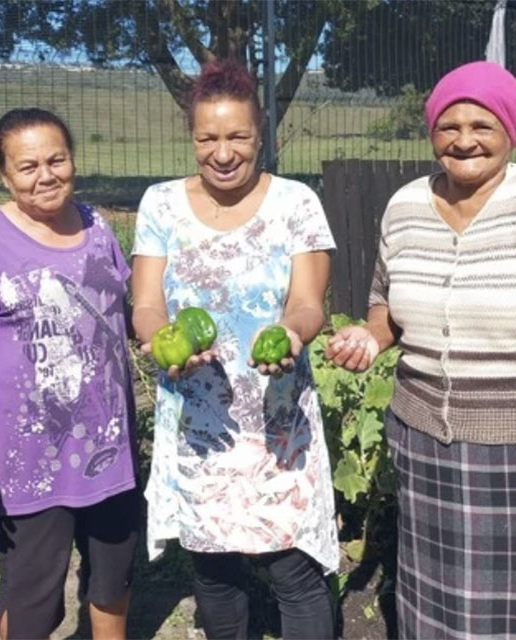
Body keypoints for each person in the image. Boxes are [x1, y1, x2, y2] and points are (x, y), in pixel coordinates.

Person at [324, 61, 516, 639]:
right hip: (427, 455)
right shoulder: (404, 206)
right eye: (449, 125)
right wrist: (369, 335)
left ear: (511, 131)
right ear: (432, 132)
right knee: (443, 619)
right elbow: (386, 307)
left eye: (482, 125)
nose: (464, 140)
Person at [130, 59, 338, 640]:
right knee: (215, 573)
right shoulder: (161, 205)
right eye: (208, 138)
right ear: (193, 138)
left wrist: (293, 334)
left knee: (292, 571)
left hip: (277, 421)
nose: (223, 152)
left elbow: (308, 303)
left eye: (238, 137)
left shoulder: (296, 203)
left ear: (260, 134)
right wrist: (159, 340)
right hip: (199, 423)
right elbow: (145, 303)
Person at [0, 108, 139, 640]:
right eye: (27, 167)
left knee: (113, 580)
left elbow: (126, 320)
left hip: (109, 448)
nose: (45, 175)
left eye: (57, 159)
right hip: (29, 463)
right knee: (32, 603)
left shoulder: (99, 229)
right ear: (5, 175)